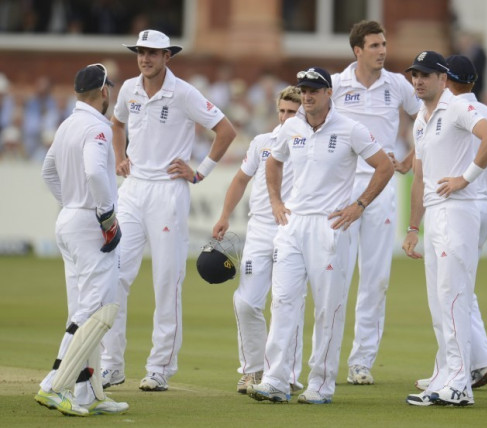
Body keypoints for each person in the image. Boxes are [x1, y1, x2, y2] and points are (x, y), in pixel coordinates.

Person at [100, 29, 237, 392]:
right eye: (141, 52)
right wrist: (119, 156)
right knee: (114, 276)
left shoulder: (184, 93)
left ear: (167, 57)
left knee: (166, 281)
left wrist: (199, 172)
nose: (145, 58)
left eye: (153, 53)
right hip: (133, 190)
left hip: (168, 192)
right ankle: (111, 365)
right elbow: (117, 122)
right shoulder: (129, 88)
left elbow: (225, 130)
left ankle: (160, 367)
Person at [247, 66, 392, 404]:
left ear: (329, 93)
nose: (307, 95)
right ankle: (276, 379)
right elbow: (273, 161)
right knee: (283, 302)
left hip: (330, 227)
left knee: (328, 308)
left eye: (314, 89)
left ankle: (321, 384)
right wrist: (275, 200)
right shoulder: (291, 127)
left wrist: (359, 204)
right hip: (293, 225)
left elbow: (383, 166)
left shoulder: (350, 129)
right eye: (304, 89)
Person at [401, 51, 487, 407]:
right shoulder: (420, 118)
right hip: (434, 213)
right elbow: (419, 176)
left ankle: (460, 383)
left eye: (426, 75)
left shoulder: (458, 107)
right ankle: (447, 375)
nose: (418, 80)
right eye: (415, 74)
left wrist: (465, 178)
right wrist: (413, 226)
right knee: (438, 300)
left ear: (444, 79)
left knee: (455, 295)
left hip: (459, 210)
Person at [330, 20, 422, 385]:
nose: (382, 50)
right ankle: (325, 357)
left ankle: (361, 362)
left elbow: (429, 117)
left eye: (384, 44)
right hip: (341, 189)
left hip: (382, 188)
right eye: (374, 45)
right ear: (357, 50)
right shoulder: (337, 85)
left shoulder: (398, 84)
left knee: (376, 278)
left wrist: (413, 155)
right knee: (334, 275)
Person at [37, 63, 128, 416]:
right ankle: (53, 386)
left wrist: (71, 202)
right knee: (98, 311)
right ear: (104, 91)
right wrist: (105, 215)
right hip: (92, 224)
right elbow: (93, 170)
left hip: (70, 219)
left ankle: (88, 392)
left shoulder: (67, 125)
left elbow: (48, 171)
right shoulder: (96, 128)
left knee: (84, 309)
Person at [211, 86, 304, 394]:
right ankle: (253, 369)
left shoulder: (309, 143)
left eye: (293, 111)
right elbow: (240, 179)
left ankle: (287, 373)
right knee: (246, 301)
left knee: (286, 302)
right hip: (260, 229)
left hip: (292, 229)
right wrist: (225, 215)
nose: (286, 116)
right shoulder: (263, 142)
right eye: (283, 111)